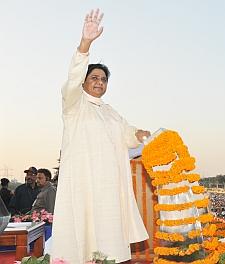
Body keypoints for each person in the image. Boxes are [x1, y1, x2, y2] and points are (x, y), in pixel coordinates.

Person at [52, 9, 150, 263]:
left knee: (111, 244)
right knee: (81, 243)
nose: (99, 82)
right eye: (94, 77)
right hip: (84, 184)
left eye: (104, 79)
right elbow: (72, 78)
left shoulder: (111, 113)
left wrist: (139, 134)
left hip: (109, 189)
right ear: (84, 82)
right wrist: (85, 44)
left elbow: (127, 135)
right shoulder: (74, 105)